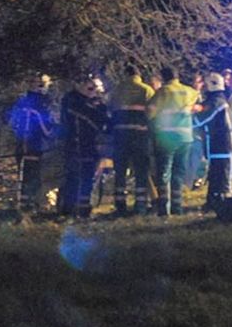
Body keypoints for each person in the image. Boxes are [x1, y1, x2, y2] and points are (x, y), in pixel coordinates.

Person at [148, 67, 199, 216]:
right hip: (185, 138)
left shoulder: (163, 92)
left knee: (164, 173)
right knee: (179, 172)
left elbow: (150, 111)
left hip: (167, 138)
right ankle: (178, 207)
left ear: (163, 78)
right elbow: (196, 101)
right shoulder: (189, 91)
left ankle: (165, 208)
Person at [59, 76, 109, 218]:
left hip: (89, 144)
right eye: (90, 88)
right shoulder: (73, 102)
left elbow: (102, 123)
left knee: (87, 176)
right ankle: (71, 209)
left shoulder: (92, 104)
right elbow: (95, 119)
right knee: (75, 176)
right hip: (76, 144)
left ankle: (81, 208)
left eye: (95, 89)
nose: (93, 91)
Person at [109, 64, 154, 215]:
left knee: (120, 171)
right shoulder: (146, 90)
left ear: (125, 74)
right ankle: (140, 205)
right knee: (141, 170)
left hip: (120, 135)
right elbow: (152, 112)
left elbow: (111, 110)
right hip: (140, 135)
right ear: (138, 75)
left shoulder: (117, 90)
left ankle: (120, 204)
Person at [8, 73, 56, 213]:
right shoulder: (24, 101)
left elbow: (48, 127)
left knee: (34, 174)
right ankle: (23, 204)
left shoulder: (44, 102)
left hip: (36, 144)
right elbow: (13, 121)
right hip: (24, 143)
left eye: (39, 83)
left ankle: (31, 202)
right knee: (25, 173)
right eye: (34, 82)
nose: (37, 85)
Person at [193, 72, 232, 210]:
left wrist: (185, 120)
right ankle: (214, 201)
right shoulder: (216, 100)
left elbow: (201, 119)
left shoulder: (217, 102)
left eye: (205, 85)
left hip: (223, 143)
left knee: (222, 174)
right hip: (217, 143)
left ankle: (223, 203)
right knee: (215, 173)